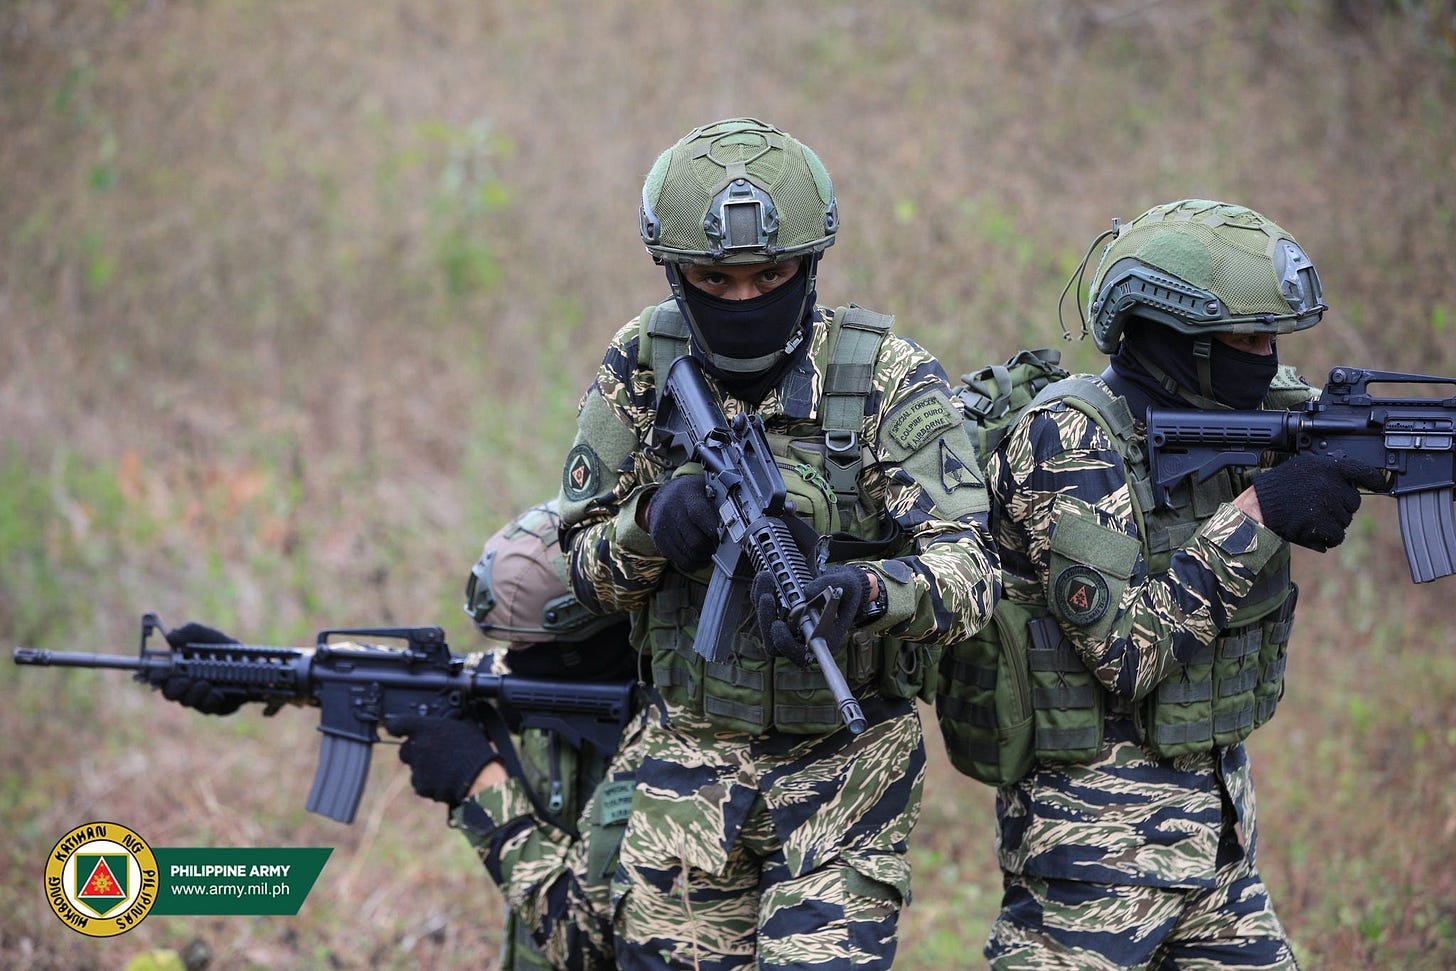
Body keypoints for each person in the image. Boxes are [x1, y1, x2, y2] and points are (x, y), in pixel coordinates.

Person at [554, 117, 1001, 969]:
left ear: (811, 262)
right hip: (686, 763)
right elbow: (578, 565)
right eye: (714, 279)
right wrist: (653, 526)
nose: (744, 298)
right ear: (675, 273)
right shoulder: (643, 363)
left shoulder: (885, 377)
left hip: (845, 770)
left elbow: (971, 572)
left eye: (771, 275)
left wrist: (862, 594)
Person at [979, 199, 1387, 969]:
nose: (1264, 359)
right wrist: (1263, 510)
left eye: (1272, 336)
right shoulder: (1067, 441)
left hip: (1218, 853)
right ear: (1170, 335)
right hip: (1094, 858)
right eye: (1243, 338)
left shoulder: (1246, 410)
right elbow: (1127, 655)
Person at [388, 499, 640, 971]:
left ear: (586, 638)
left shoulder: (665, 746)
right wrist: (253, 673)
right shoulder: (563, 679)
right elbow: (432, 677)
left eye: (524, 645)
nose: (511, 658)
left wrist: (478, 782)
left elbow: (584, 939)